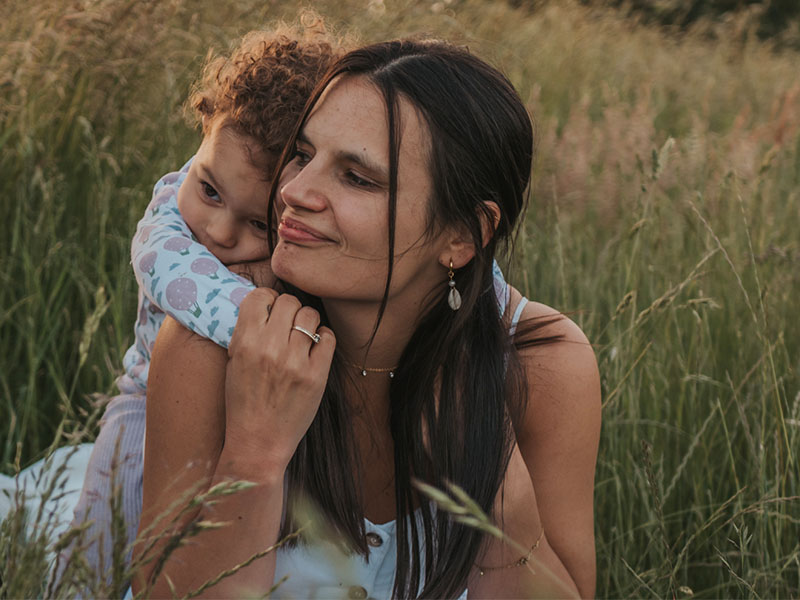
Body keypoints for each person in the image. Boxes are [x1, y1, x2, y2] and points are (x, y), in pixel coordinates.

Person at [133, 39, 601, 599]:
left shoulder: (542, 367)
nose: (293, 192)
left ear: (464, 235)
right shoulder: (215, 343)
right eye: (303, 155)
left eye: (357, 178)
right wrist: (255, 456)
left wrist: (496, 484)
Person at [53, 20, 341, 592]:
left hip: (248, 419)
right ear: (205, 130)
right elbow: (220, 313)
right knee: (100, 559)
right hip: (145, 415)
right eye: (209, 190)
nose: (216, 230)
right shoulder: (164, 234)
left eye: (258, 222)